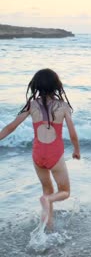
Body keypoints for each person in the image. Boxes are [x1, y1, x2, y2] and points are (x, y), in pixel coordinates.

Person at [0, 68, 80, 229]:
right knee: (64, 191)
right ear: (57, 86)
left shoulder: (32, 105)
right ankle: (48, 202)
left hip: (37, 155)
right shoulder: (63, 107)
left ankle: (47, 226)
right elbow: (72, 134)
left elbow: (11, 127)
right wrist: (76, 150)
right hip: (55, 154)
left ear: (35, 86)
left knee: (47, 190)